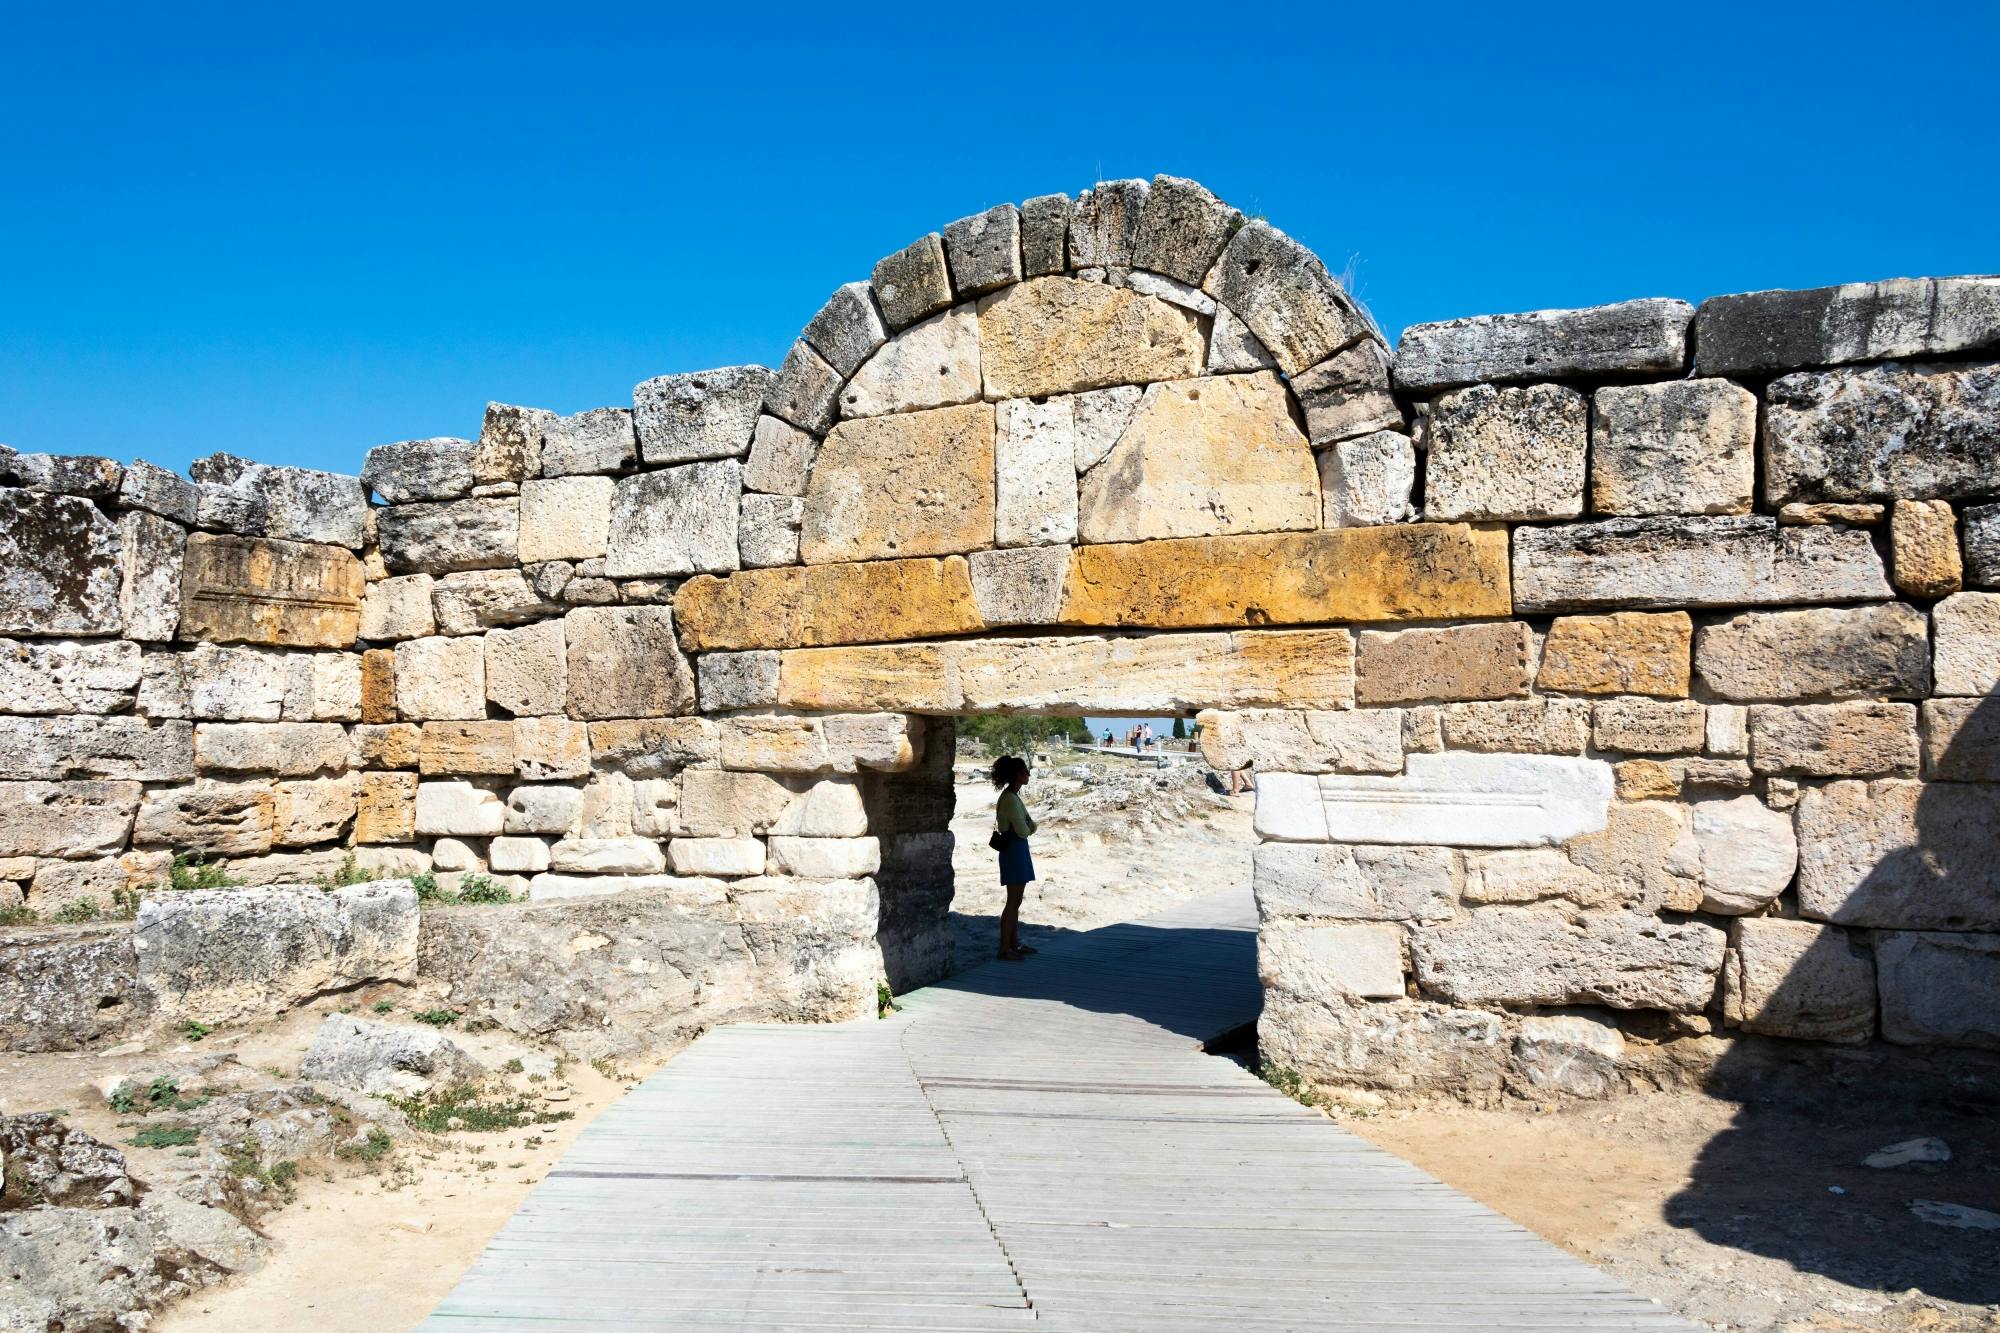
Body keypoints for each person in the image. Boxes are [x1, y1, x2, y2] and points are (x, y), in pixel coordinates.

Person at [990, 755, 1038, 962]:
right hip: (1014, 850)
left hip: (1017, 849)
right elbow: (1025, 829)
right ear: (1017, 774)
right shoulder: (1010, 798)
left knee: (1016, 900)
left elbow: (1030, 825)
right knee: (1013, 901)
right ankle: (1004, 948)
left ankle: (1013, 943)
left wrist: (1028, 824)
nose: (1028, 773)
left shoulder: (1012, 796)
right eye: (1025, 771)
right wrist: (1028, 824)